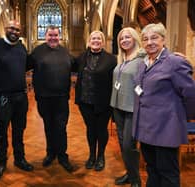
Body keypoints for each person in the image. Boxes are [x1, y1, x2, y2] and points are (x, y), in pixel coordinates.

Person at [132, 23, 195, 187]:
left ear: (163, 39)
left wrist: (185, 117)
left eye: (154, 37)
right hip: (146, 128)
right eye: (145, 39)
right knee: (151, 169)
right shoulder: (142, 63)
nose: (149, 42)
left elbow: (190, 93)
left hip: (166, 128)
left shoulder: (174, 62)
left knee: (168, 173)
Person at [0, 20, 34, 181]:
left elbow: (25, 67)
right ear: (5, 28)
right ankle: (1, 162)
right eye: (11, 28)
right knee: (2, 132)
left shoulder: (21, 47)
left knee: (19, 130)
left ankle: (19, 158)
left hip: (20, 96)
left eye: (17, 29)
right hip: (3, 96)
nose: (14, 31)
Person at [28, 25, 74, 172]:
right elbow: (23, 66)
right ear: (45, 35)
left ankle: (62, 155)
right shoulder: (37, 52)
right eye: (50, 35)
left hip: (61, 98)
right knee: (48, 127)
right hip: (44, 98)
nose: (53, 38)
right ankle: (50, 153)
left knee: (61, 128)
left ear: (59, 36)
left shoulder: (65, 52)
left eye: (56, 35)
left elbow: (78, 66)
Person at [74, 31, 117, 171]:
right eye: (93, 38)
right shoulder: (82, 57)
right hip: (85, 102)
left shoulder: (111, 59)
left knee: (101, 130)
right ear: (89, 41)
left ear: (103, 42)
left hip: (103, 103)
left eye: (99, 38)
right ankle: (92, 156)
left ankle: (101, 156)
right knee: (90, 129)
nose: (96, 40)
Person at [110, 27, 142, 187]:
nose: (124, 41)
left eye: (127, 37)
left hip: (132, 108)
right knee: (122, 144)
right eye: (121, 38)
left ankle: (136, 179)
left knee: (129, 145)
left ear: (135, 38)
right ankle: (130, 174)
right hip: (118, 106)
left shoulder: (142, 58)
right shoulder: (121, 60)